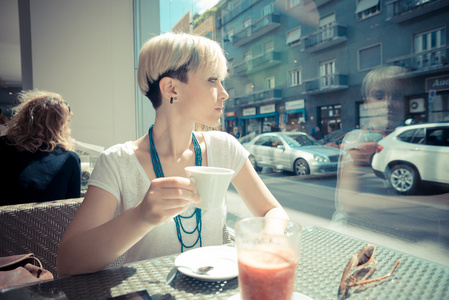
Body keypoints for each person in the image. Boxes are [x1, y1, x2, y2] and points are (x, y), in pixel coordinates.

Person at [57, 32, 289, 276]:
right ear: (171, 88)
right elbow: (68, 263)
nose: (224, 93)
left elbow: (272, 211)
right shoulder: (117, 162)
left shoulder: (224, 147)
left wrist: (268, 239)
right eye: (212, 80)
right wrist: (141, 216)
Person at [0, 89, 81, 205]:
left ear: (26, 117)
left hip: (5, 222)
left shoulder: (3, 145)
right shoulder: (69, 159)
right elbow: (72, 207)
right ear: (61, 125)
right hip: (49, 223)